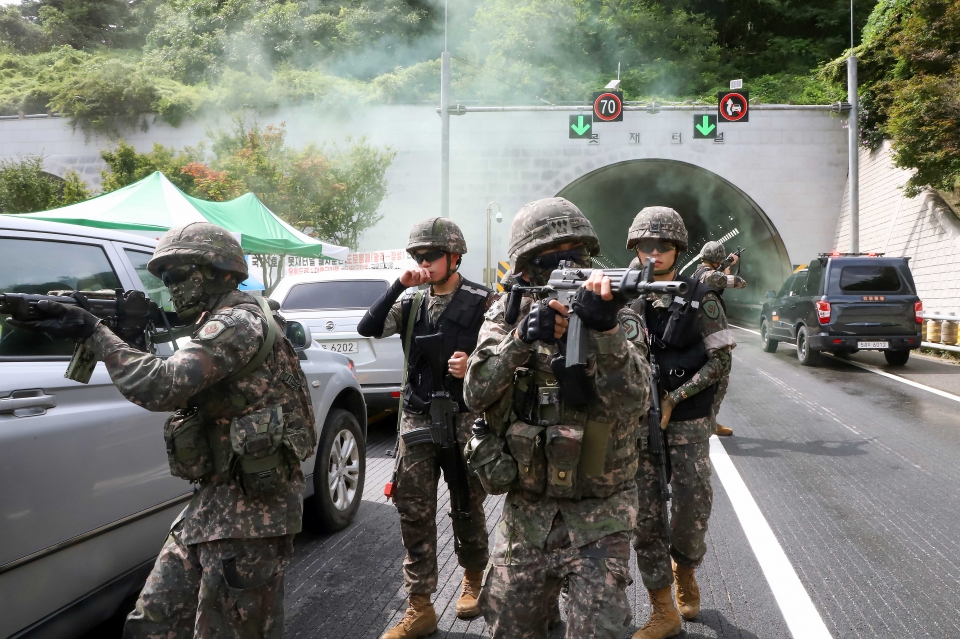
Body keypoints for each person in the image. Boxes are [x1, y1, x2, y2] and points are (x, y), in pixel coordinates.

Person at [9, 222, 316, 638]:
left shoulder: (235, 324)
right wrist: (120, 334)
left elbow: (162, 386)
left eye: (178, 275)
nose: (170, 288)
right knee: (151, 624)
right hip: (214, 505)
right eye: (165, 279)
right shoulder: (223, 320)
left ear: (222, 273)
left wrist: (94, 332)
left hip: (251, 519)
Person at [463, 197, 651, 639]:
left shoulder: (619, 318)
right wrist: (521, 341)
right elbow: (474, 394)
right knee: (509, 628)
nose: (569, 264)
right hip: (528, 512)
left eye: (577, 254)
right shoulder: (505, 315)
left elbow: (637, 402)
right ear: (527, 269)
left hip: (599, 514)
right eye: (553, 257)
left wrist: (604, 332)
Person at [356, 217, 495, 639]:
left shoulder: (484, 301)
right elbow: (369, 327)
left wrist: (473, 363)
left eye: (430, 256)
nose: (423, 263)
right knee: (414, 512)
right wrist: (398, 285)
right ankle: (420, 606)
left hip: (464, 416)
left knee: (467, 504)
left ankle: (472, 577)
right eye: (417, 256)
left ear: (455, 256)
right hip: (417, 418)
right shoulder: (412, 302)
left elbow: (506, 351)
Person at [626, 208, 736, 639]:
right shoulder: (623, 298)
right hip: (638, 422)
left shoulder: (700, 296)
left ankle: (685, 568)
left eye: (663, 246)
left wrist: (677, 398)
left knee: (691, 508)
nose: (654, 253)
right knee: (646, 516)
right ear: (634, 249)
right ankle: (663, 607)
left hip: (687, 420)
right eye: (646, 246)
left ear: (677, 250)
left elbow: (721, 359)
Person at [692, 241, 745, 437]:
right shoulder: (710, 275)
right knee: (719, 379)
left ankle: (707, 421)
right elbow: (740, 282)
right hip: (710, 334)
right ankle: (708, 422)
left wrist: (724, 267)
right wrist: (727, 272)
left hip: (698, 334)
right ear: (716, 260)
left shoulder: (696, 274)